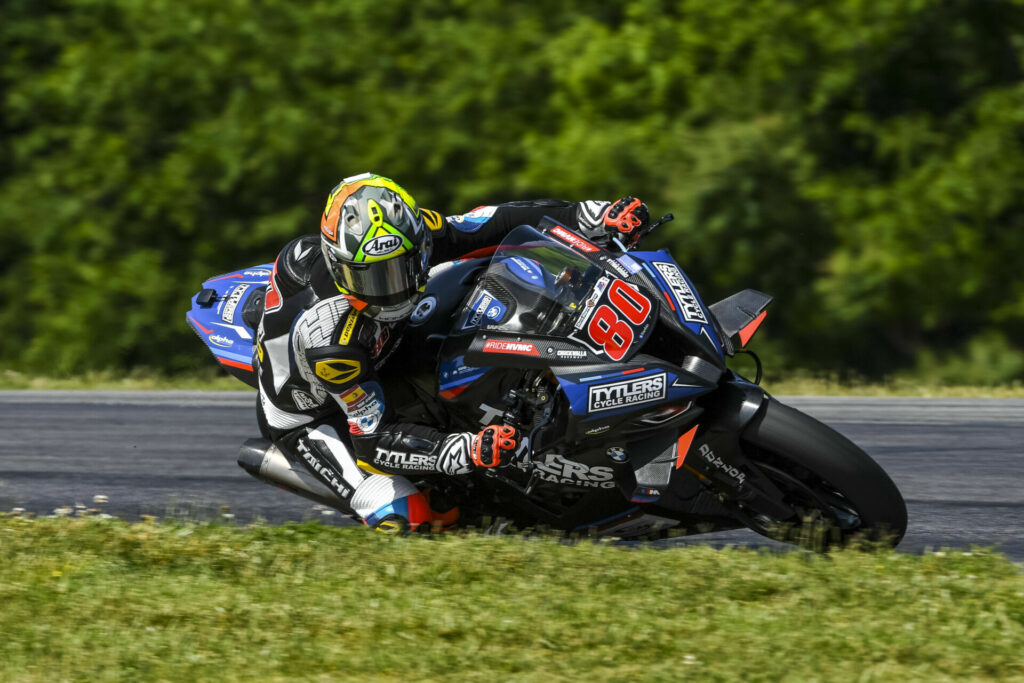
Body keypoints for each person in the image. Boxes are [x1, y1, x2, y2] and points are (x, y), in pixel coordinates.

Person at [254, 172, 649, 532]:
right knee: (408, 517)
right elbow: (374, 440)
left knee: (483, 267)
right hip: (318, 412)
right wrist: (467, 449)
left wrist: (591, 217)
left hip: (388, 343)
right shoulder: (333, 344)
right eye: (372, 277)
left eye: (398, 270)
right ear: (340, 268)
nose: (389, 290)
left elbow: (492, 222)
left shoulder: (414, 230)